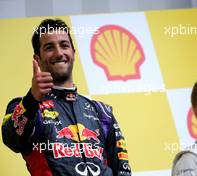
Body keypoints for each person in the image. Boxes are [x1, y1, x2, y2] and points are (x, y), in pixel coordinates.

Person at [2, 18, 131, 176]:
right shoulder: (25, 106)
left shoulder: (102, 111)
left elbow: (122, 170)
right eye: (49, 47)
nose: (59, 53)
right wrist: (31, 99)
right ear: (37, 59)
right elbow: (12, 139)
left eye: (64, 45)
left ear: (73, 53)